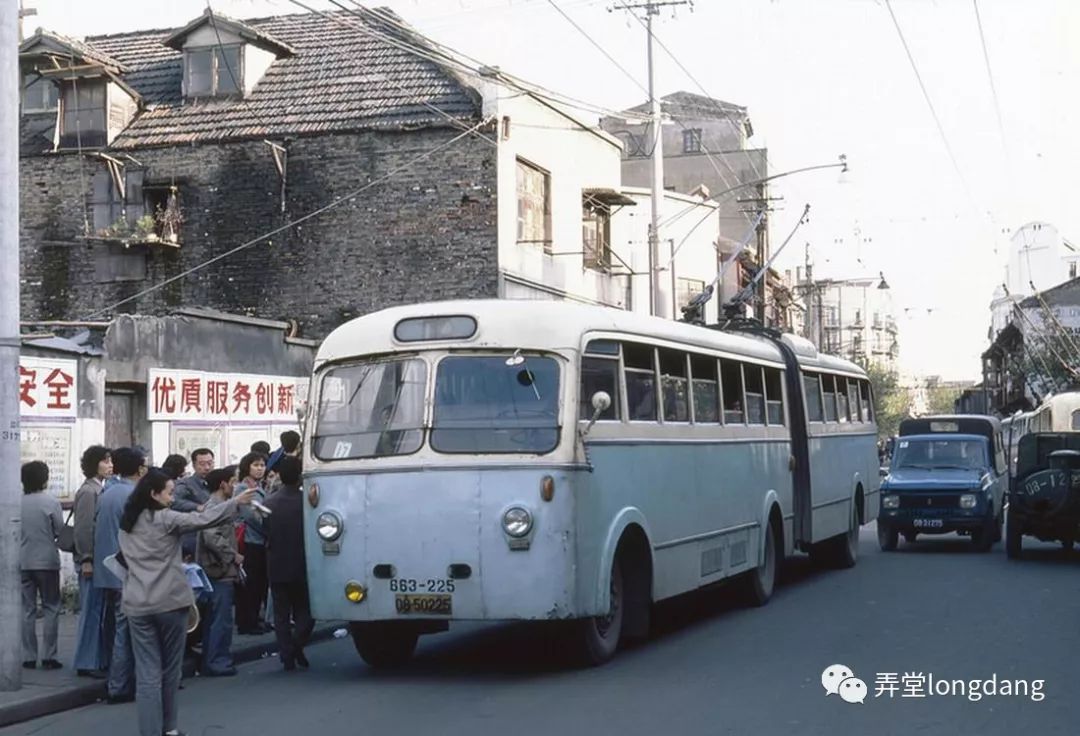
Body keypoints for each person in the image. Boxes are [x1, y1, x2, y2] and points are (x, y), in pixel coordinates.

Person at [118, 470, 256, 736]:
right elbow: (202, 519)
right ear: (153, 494)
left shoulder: (127, 524)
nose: (172, 498)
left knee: (147, 676)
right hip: (170, 601)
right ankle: (169, 729)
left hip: (137, 603)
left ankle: (150, 731)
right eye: (169, 492)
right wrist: (234, 503)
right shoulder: (166, 518)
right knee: (170, 672)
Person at [94, 447, 146, 704]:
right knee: (128, 632)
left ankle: (116, 680)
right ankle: (120, 685)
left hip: (108, 571)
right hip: (129, 572)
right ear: (140, 469)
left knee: (115, 628)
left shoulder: (106, 493)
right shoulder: (135, 495)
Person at [264, 456, 313, 671]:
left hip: (276, 563)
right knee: (306, 611)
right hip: (303, 563)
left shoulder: (269, 503)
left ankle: (287, 654)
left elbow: (265, 532)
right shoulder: (307, 504)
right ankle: (295, 645)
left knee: (281, 614)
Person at [195, 466, 242, 676]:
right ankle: (216, 660)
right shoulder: (214, 507)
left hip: (221, 568)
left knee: (218, 617)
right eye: (233, 481)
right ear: (223, 484)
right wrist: (232, 554)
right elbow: (211, 537)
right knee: (219, 618)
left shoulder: (220, 505)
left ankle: (215, 658)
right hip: (218, 569)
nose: (235, 486)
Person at [72, 445, 112, 678]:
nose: (110, 465)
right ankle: (86, 662)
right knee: (91, 612)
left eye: (110, 461)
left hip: (99, 560)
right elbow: (84, 529)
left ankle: (97, 659)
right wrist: (86, 558)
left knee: (99, 611)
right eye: (105, 461)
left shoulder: (101, 489)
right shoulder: (88, 491)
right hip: (91, 561)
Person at [20, 461, 64, 671]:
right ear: (45, 479)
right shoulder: (50, 501)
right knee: (51, 607)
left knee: (27, 610)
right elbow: (60, 531)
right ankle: (49, 656)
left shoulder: (17, 502)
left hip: (23, 561)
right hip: (47, 561)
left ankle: (28, 656)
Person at [235, 452, 270, 635]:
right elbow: (252, 517)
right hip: (250, 541)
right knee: (251, 585)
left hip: (260, 541)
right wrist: (269, 530)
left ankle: (255, 619)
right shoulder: (243, 488)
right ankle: (247, 623)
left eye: (262, 465)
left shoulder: (260, 487)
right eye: (256, 465)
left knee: (259, 583)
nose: (259, 468)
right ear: (247, 467)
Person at [172, 448, 214, 560]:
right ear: (194, 465)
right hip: (194, 538)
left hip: (214, 538)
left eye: (210, 463)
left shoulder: (217, 482)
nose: (207, 467)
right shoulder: (186, 483)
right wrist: (196, 507)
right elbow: (173, 501)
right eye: (202, 464)